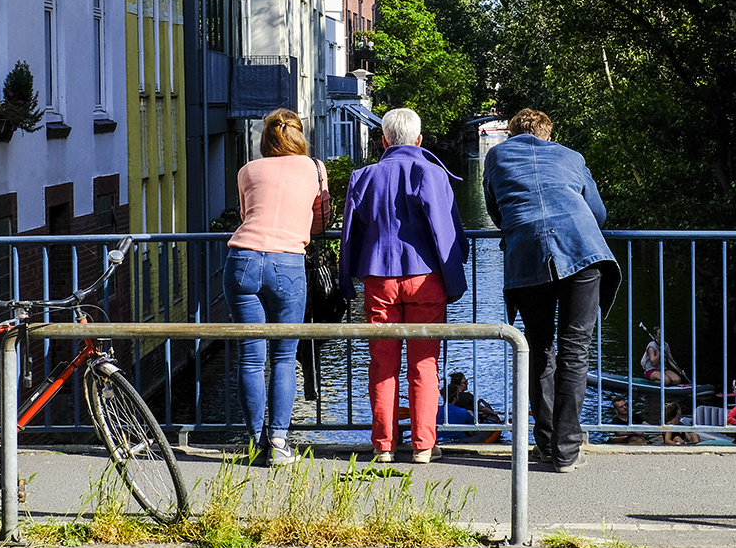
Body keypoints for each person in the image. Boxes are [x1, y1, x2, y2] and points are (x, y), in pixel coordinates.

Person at [483, 108, 621, 473]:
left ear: (512, 134)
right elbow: (598, 214)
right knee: (575, 350)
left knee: (539, 345)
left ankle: (545, 445)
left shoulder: (497, 155)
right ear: (548, 134)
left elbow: (494, 209)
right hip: (582, 250)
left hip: (528, 254)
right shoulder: (571, 156)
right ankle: (566, 451)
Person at [339, 107, 468, 465]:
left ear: (384, 140)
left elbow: (351, 233)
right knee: (425, 365)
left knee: (383, 364)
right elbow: (448, 231)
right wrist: (455, 278)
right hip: (426, 279)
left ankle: (384, 446)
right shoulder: (432, 173)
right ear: (419, 140)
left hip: (379, 278)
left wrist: (346, 279)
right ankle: (424, 446)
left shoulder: (363, 177)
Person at [223, 108, 328, 466]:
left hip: (243, 260)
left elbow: (245, 214)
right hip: (287, 263)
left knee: (251, 358)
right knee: (284, 357)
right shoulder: (314, 168)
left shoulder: (247, 170)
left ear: (265, 140)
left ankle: (255, 443)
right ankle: (280, 445)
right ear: (299, 136)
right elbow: (321, 220)